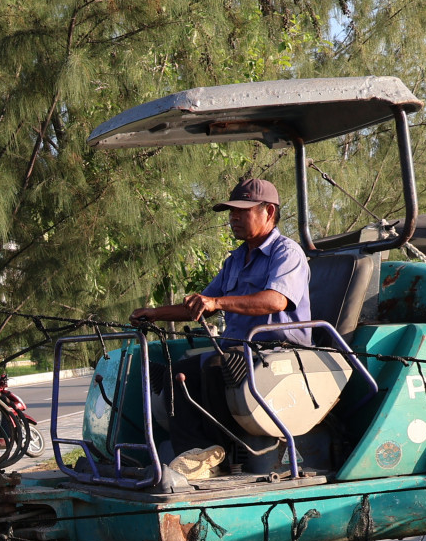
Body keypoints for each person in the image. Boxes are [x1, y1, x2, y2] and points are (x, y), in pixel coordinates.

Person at [131, 175, 310, 476]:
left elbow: (275, 301)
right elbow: (202, 304)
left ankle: (229, 456)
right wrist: (154, 312)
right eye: (232, 212)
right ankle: (196, 454)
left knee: (215, 367)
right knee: (180, 373)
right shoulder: (236, 259)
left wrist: (217, 303)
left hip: (279, 353)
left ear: (268, 211)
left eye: (242, 211)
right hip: (239, 351)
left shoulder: (287, 253)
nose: (234, 218)